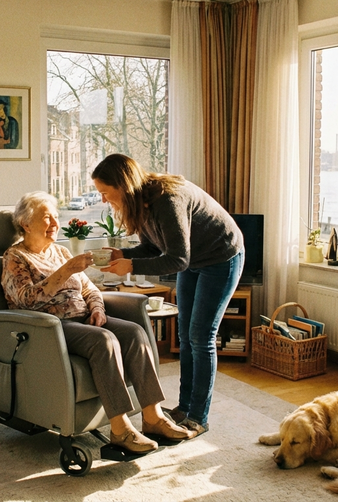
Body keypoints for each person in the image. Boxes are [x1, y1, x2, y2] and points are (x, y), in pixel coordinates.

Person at [1, 191, 196, 453]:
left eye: (57, 217)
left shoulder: (59, 251)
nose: (56, 224)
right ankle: (121, 430)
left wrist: (97, 308)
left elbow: (90, 288)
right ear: (25, 223)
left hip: (82, 318)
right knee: (103, 341)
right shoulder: (16, 257)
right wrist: (67, 270)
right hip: (50, 326)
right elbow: (25, 300)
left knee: (135, 333)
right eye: (47, 218)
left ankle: (153, 418)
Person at [92, 153, 244, 437]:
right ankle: (184, 408)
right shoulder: (141, 203)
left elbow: (177, 259)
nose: (103, 200)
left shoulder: (167, 199)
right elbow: (154, 247)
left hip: (221, 257)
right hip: (194, 261)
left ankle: (199, 417)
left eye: (105, 192)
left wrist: (131, 265)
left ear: (123, 185)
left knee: (201, 338)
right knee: (185, 336)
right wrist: (122, 254)